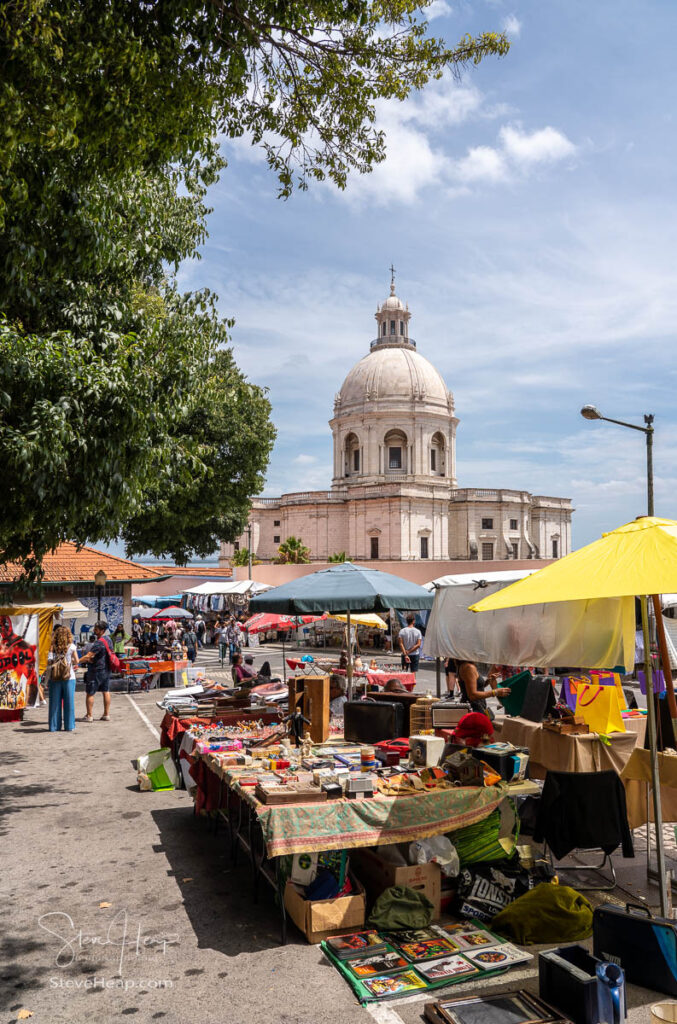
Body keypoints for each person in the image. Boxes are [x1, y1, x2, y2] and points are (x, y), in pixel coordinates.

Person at [78, 621, 113, 722]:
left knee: (90, 693)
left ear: (102, 631)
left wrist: (77, 662)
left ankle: (89, 716)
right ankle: (106, 714)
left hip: (96, 670)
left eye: (96, 629)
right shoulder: (108, 639)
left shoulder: (99, 642)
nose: (94, 630)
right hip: (106, 669)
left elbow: (89, 655)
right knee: (106, 691)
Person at [47, 625, 78, 732]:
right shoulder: (72, 646)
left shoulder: (52, 646)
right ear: (68, 635)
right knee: (69, 702)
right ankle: (69, 726)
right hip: (69, 677)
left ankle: (54, 726)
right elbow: (77, 661)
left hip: (55, 677)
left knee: (54, 703)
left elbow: (49, 661)